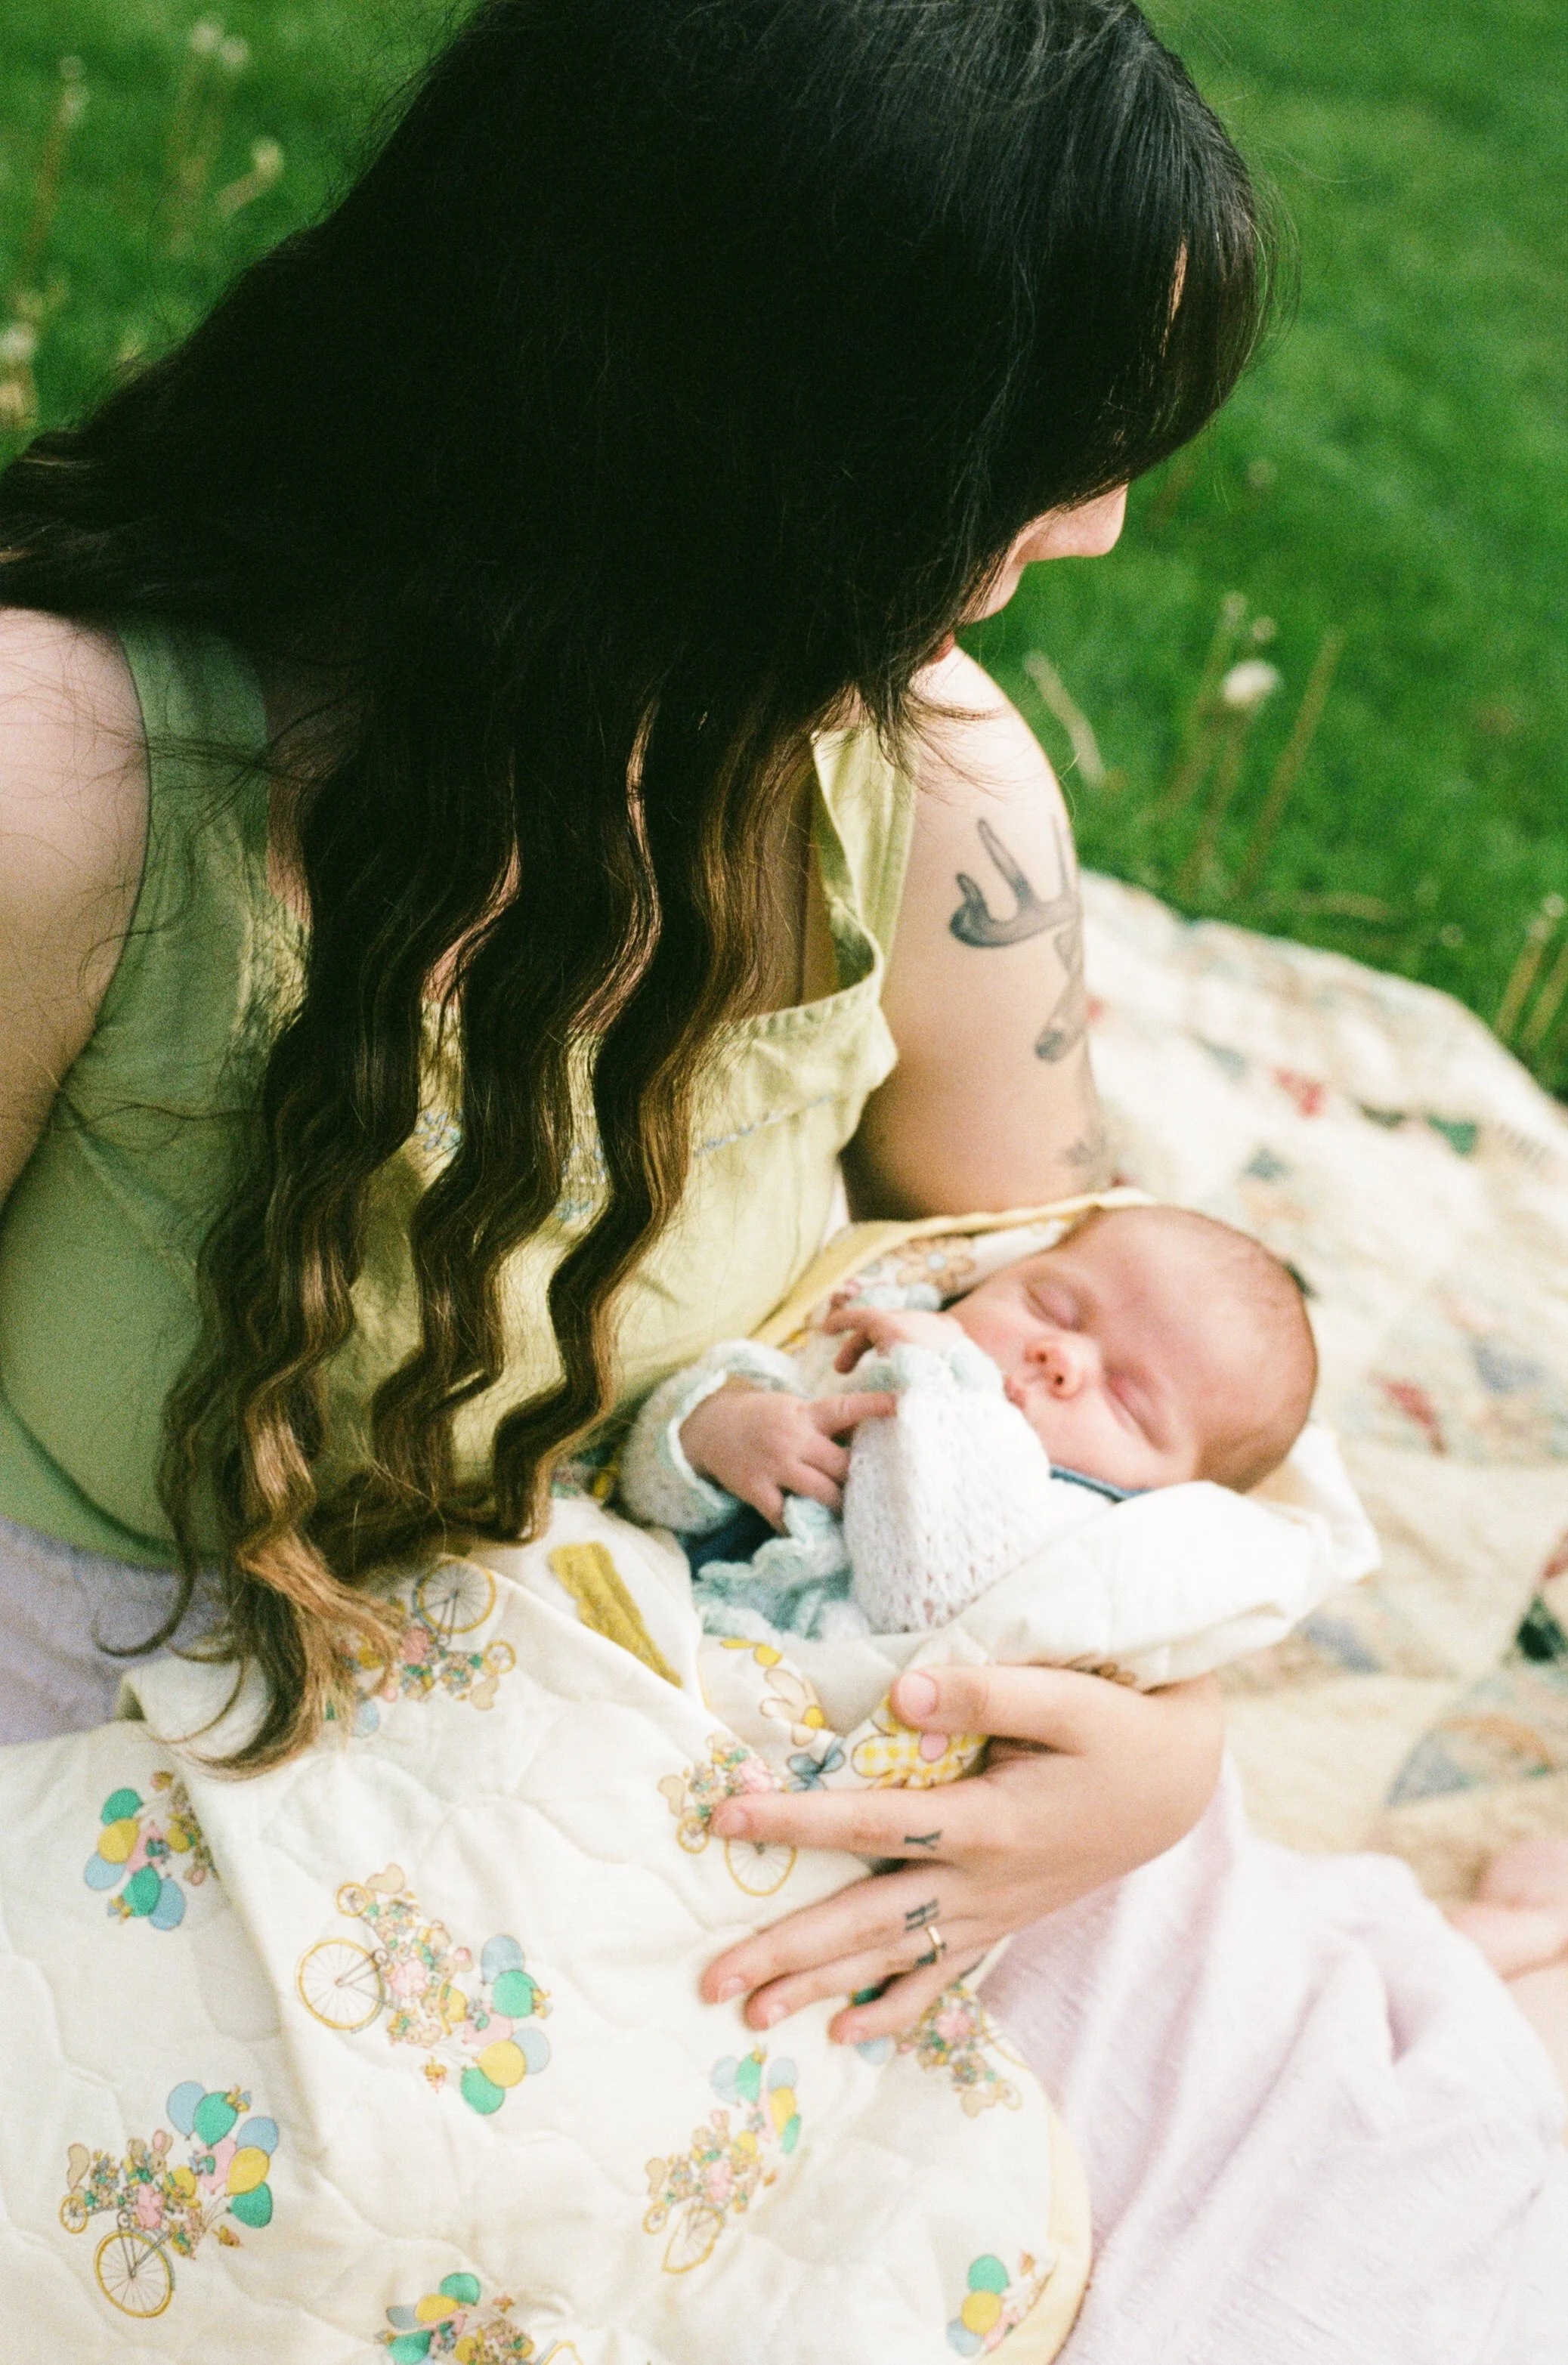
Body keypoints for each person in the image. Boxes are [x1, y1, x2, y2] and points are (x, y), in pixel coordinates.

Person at [0, 3, 1560, 2357]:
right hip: (175, 1771)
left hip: (767, 1714)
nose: (1096, 526)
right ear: (751, 436)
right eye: (1039, 449)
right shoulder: (82, 789)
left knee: (1392, 2238)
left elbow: (1103, 1352)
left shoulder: (921, 800)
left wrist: (1144, 1769)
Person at [620, 1201, 1323, 1637]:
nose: (1061, 1358)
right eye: (1051, 1309)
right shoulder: (874, 1343)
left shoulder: (1076, 1525)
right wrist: (719, 1429)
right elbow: (637, 1489)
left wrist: (945, 1380)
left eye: (1125, 1401)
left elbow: (923, 1596)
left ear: (1168, 1493)